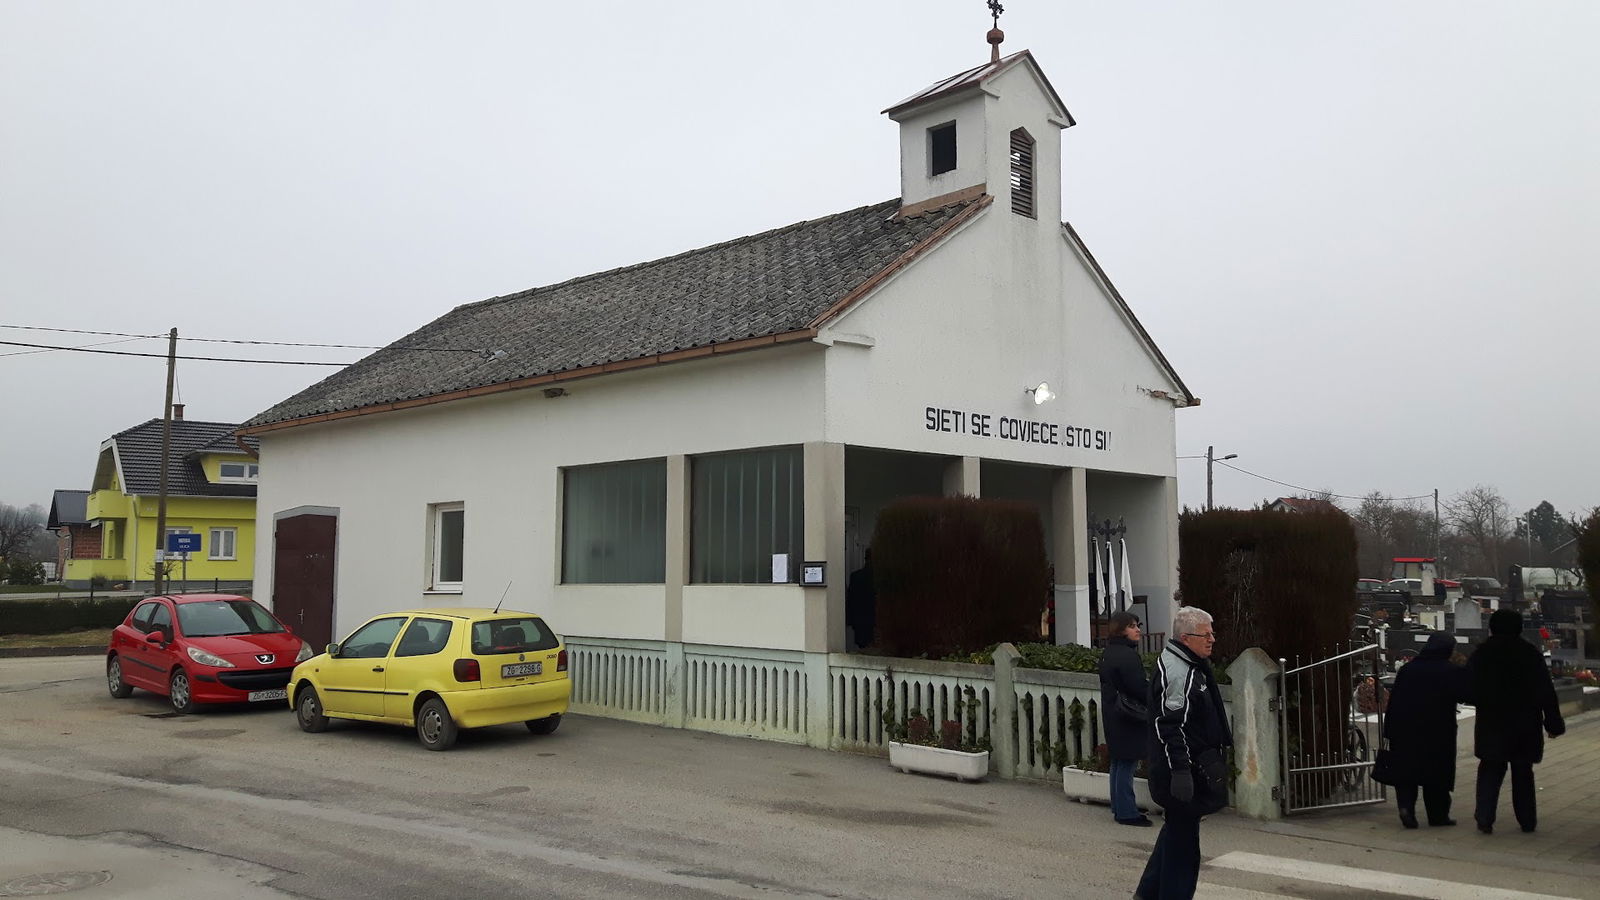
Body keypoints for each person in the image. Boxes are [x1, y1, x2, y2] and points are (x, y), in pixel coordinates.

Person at [1134, 607, 1232, 900]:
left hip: (1187, 769)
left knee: (1174, 835)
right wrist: (1180, 772)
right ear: (1186, 638)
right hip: (1180, 772)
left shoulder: (1190, 663)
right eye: (1207, 634)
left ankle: (1147, 894)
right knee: (1184, 851)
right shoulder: (1179, 672)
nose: (1212, 639)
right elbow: (1169, 725)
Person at [1469, 608, 1565, 834]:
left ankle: (1484, 817)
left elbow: (1469, 688)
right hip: (1524, 723)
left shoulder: (1482, 654)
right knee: (1523, 773)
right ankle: (1527, 819)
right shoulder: (1530, 654)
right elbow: (1545, 691)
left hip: (1492, 722)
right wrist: (1553, 724)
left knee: (1490, 770)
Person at [1381, 632, 1471, 828]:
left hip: (1405, 727)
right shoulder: (1450, 670)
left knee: (1406, 771)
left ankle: (1406, 808)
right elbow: (1465, 694)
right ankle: (1438, 815)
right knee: (1437, 772)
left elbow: (1394, 700)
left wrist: (1389, 729)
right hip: (1437, 728)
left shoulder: (1408, 669)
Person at [1098, 611, 1151, 826]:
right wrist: (1153, 696)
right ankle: (1127, 812)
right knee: (1127, 762)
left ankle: (1119, 806)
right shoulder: (1127, 656)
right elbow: (1138, 687)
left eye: (1137, 625)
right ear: (1120, 630)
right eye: (1131, 626)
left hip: (1114, 713)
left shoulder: (1108, 652)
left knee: (1119, 761)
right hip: (1127, 715)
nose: (1137, 629)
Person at [844, 549, 876, 651]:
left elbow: (851, 600)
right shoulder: (880, 576)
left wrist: (850, 620)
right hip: (872, 619)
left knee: (863, 646)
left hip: (860, 620)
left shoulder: (856, 576)